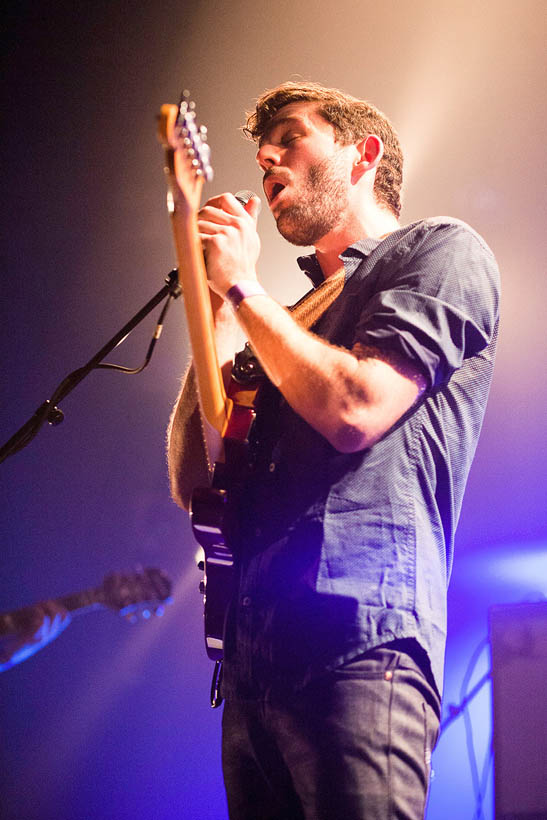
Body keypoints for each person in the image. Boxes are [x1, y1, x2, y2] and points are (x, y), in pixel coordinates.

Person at [166, 81, 500, 820]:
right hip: (250, 669)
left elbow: (354, 410)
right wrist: (219, 306)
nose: (265, 156)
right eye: (262, 150)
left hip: (358, 640)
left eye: (290, 136)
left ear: (361, 155)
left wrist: (246, 290)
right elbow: (196, 478)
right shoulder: (285, 320)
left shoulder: (439, 251)